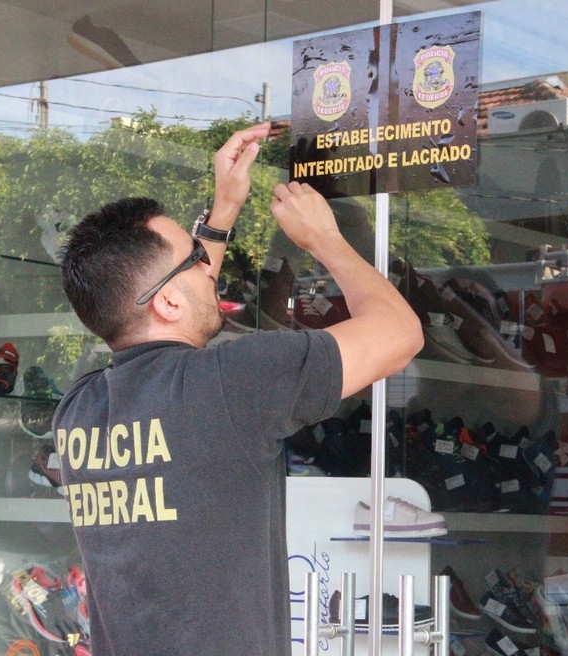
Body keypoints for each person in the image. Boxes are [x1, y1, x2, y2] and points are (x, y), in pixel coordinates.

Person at [53, 122, 423, 656]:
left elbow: (171, 307)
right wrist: (323, 238)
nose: (210, 269)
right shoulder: (235, 381)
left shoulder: (79, 409)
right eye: (195, 261)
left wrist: (224, 209)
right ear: (168, 303)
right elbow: (401, 333)